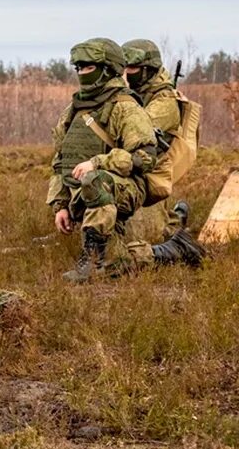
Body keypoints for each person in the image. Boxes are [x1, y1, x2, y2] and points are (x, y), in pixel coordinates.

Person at [47, 38, 169, 282]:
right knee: (123, 261)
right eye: (78, 68)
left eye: (88, 67)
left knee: (95, 179)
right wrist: (59, 205)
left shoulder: (125, 107)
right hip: (86, 195)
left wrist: (99, 162)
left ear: (107, 69)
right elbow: (61, 161)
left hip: (125, 190)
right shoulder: (74, 109)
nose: (82, 73)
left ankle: (91, 262)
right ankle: (174, 251)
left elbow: (145, 156)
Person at [119, 39, 205, 268]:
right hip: (134, 171)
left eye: (132, 69)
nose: (126, 74)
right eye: (123, 68)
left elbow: (134, 132)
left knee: (135, 247)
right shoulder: (135, 93)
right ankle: (176, 219)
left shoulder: (164, 102)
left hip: (149, 176)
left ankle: (177, 239)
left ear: (148, 69)